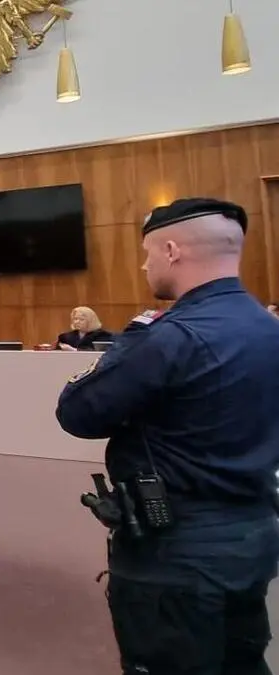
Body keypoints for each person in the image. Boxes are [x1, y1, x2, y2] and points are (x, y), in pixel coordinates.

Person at [55, 198, 279, 675]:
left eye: (148, 254)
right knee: (241, 662)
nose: (144, 266)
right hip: (253, 535)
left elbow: (77, 413)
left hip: (177, 552)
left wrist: (127, 345)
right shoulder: (268, 328)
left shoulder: (167, 337)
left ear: (172, 251)